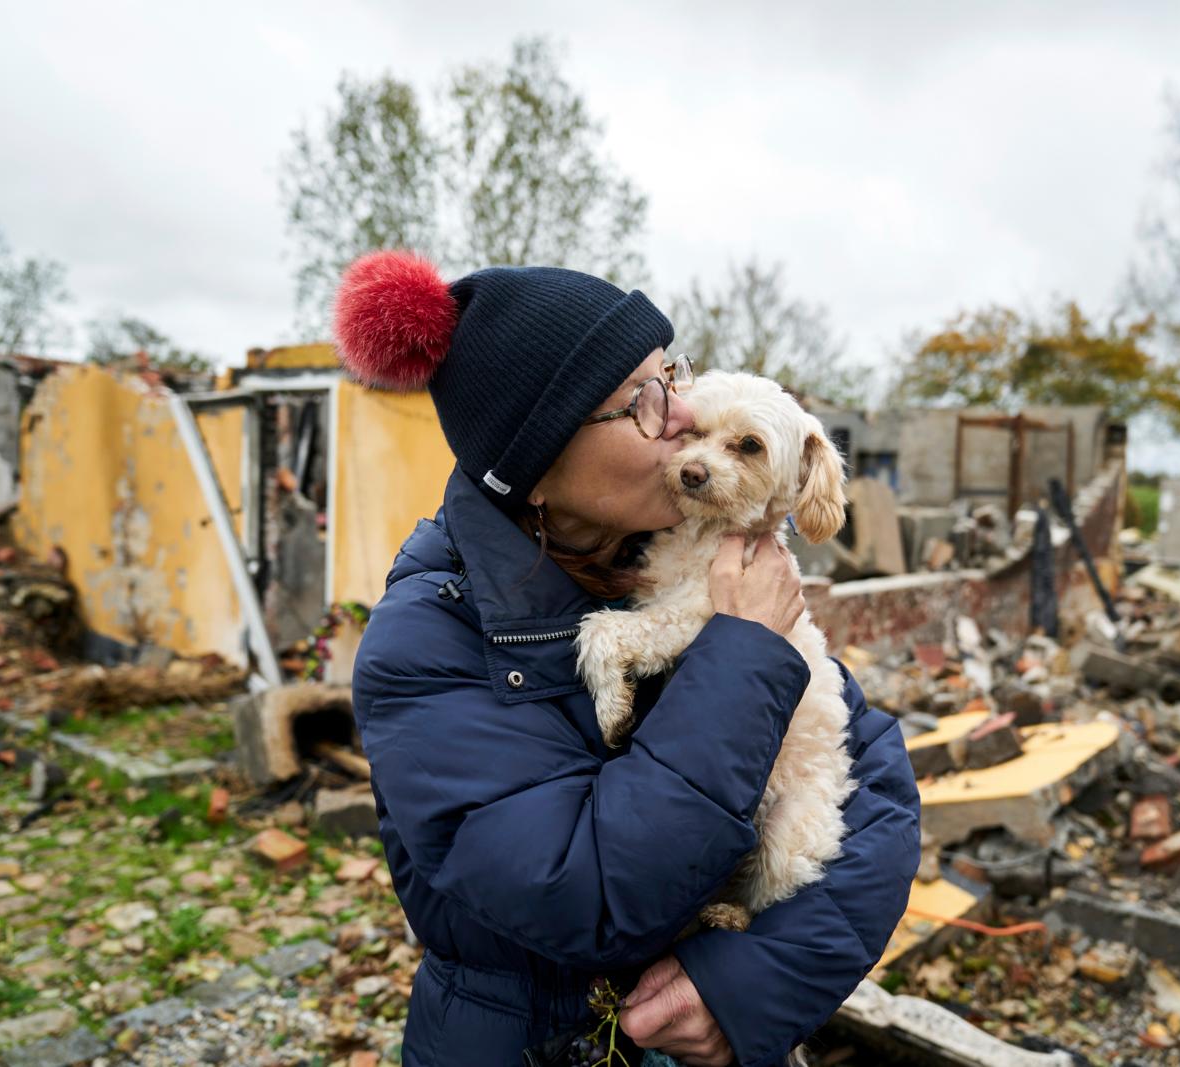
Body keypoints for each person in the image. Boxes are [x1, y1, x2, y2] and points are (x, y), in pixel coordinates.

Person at [337, 251, 920, 1067]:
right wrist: (743, 653)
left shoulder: (696, 555)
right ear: (537, 469)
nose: (680, 413)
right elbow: (595, 896)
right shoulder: (423, 649)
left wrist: (752, 981)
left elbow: (882, 795)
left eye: (670, 374)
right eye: (640, 402)